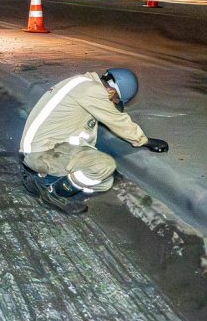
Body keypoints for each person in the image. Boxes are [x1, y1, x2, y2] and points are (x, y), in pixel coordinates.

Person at [19, 68, 169, 214]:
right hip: (42, 151)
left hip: (46, 146)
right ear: (112, 91)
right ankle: (52, 190)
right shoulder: (92, 91)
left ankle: (49, 177)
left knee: (105, 182)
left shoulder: (82, 83)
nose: (113, 103)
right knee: (103, 165)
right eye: (115, 100)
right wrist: (143, 140)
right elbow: (116, 119)